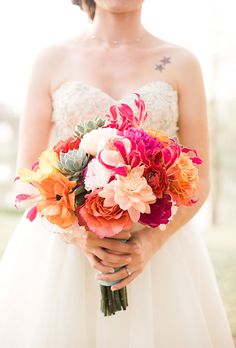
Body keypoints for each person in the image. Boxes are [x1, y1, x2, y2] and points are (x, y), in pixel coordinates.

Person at [0, 0, 235, 347]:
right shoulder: (51, 60)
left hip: (157, 249)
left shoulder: (182, 63)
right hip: (62, 254)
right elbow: (27, 177)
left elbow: (199, 178)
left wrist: (150, 243)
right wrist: (80, 237)